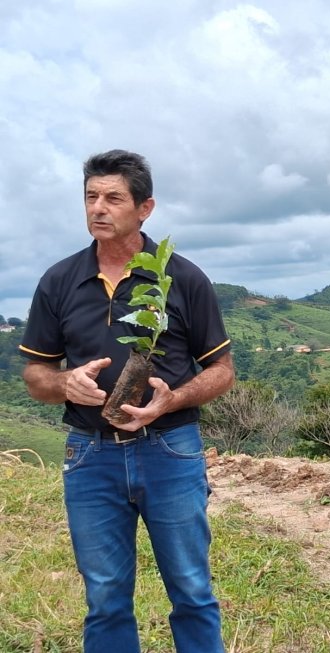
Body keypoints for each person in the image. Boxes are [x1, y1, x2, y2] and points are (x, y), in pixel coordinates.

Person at [19, 149, 234, 653]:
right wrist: (65, 383)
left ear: (145, 208)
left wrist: (172, 399)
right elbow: (34, 374)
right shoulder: (59, 281)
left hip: (171, 449)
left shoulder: (181, 278)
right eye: (91, 197)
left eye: (113, 198)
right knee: (106, 595)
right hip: (91, 456)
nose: (99, 208)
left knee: (192, 589)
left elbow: (222, 371)